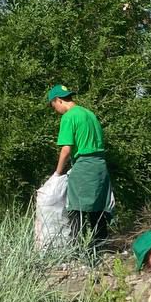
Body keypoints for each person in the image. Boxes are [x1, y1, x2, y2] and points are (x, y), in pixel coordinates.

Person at [47, 84, 113, 247]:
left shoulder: (69, 117)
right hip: (100, 166)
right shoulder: (89, 114)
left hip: (84, 165)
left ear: (58, 100)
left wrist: (57, 173)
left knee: (76, 209)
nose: (55, 109)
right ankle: (101, 247)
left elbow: (66, 149)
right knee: (98, 208)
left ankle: (78, 249)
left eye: (53, 106)